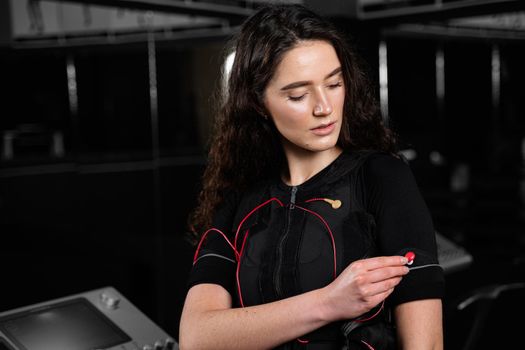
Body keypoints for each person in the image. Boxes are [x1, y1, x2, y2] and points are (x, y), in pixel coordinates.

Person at [179, 3, 445, 350]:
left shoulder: (383, 177)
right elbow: (197, 338)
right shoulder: (240, 197)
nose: (324, 107)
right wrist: (329, 302)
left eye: (334, 84)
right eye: (298, 95)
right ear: (259, 103)